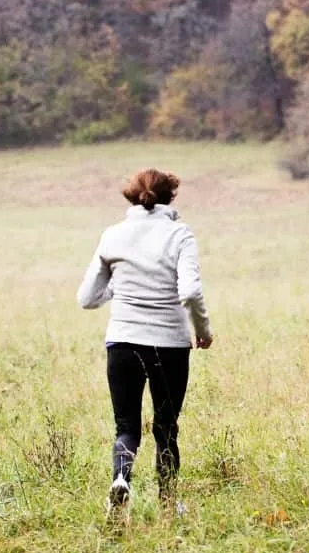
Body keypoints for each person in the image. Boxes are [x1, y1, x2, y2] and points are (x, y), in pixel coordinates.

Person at [77, 168, 213, 515]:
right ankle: (168, 504)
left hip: (123, 342)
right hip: (169, 343)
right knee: (166, 425)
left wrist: (119, 288)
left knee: (126, 426)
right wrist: (202, 330)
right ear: (171, 197)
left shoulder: (113, 235)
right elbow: (191, 291)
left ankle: (121, 478)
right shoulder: (180, 235)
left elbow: (87, 298)